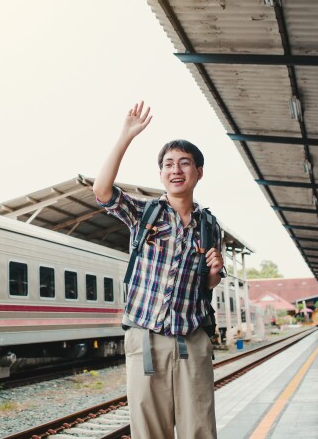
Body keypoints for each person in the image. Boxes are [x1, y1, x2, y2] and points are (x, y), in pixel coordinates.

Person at [93, 102, 225, 439]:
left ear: (199, 171)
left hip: (192, 338)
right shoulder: (144, 213)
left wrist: (215, 270)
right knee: (150, 430)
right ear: (161, 173)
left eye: (184, 163)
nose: (176, 170)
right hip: (146, 337)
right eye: (168, 164)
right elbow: (102, 192)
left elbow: (208, 286)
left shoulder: (209, 226)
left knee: (199, 428)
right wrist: (125, 136)